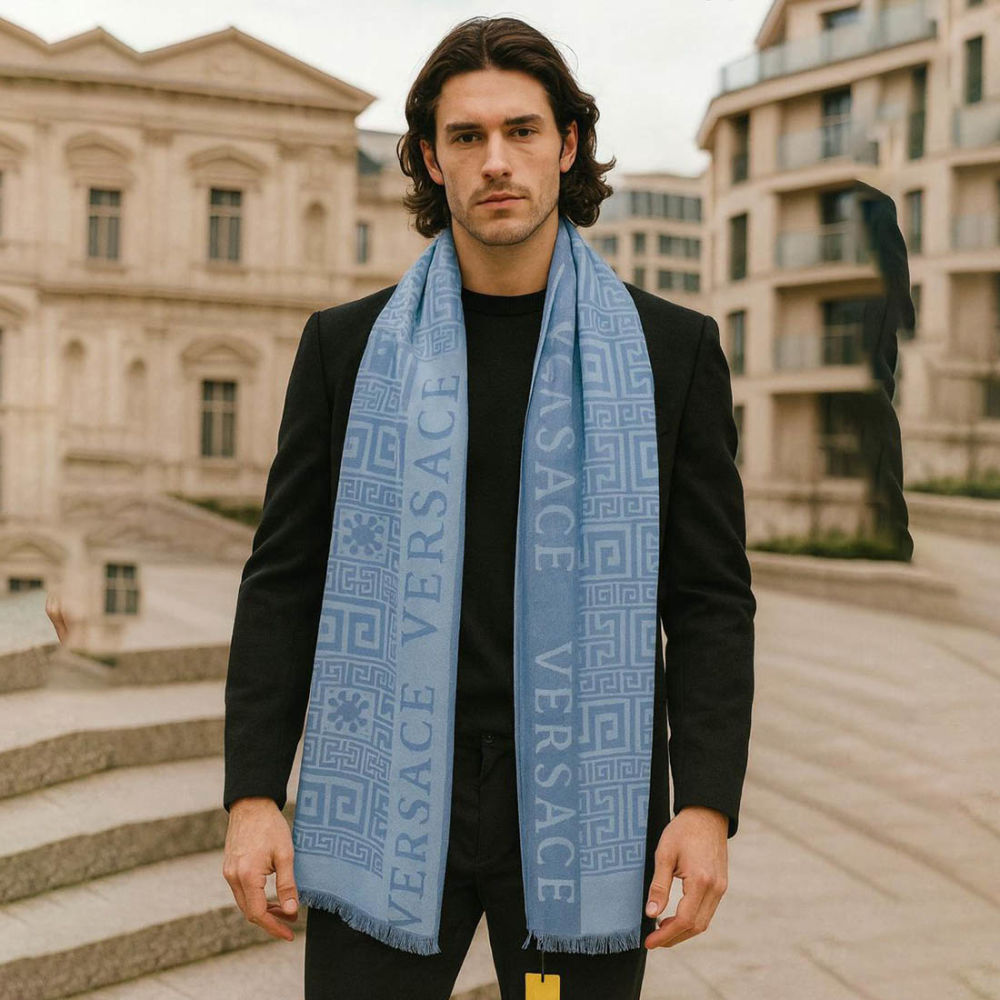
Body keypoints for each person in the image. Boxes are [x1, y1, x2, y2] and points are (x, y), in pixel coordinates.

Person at [222, 16, 755, 1000]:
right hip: (382, 791)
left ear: (568, 144)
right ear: (430, 158)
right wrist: (253, 792)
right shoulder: (346, 348)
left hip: (581, 809)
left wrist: (708, 804)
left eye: (521, 130)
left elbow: (711, 599)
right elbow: (285, 581)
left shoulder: (670, 352)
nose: (495, 161)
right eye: (465, 136)